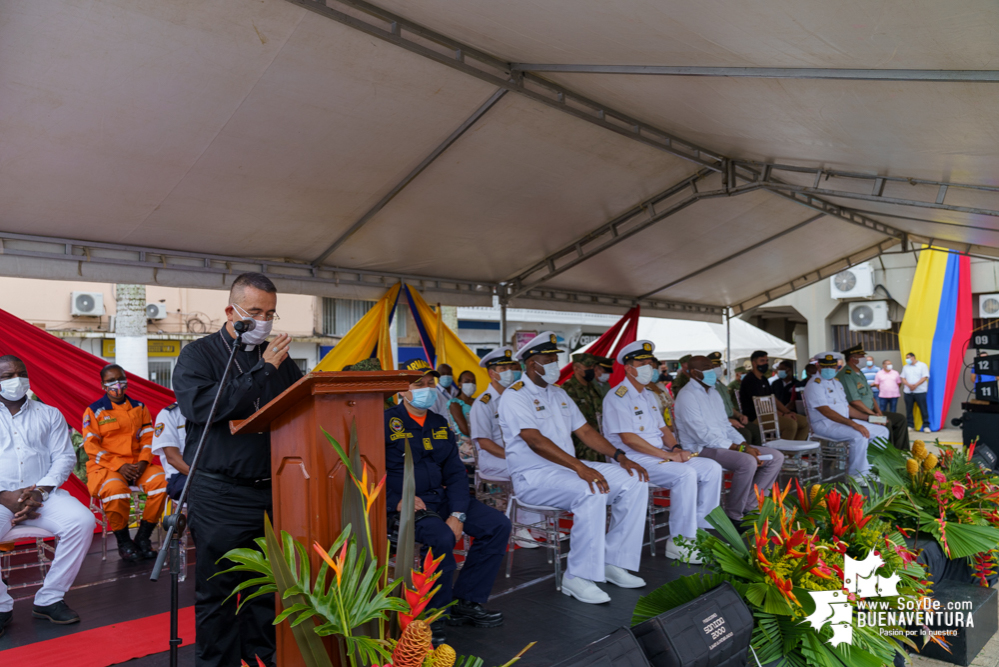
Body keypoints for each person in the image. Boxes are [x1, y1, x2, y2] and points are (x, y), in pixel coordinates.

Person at [172, 272, 303, 667]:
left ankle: (262, 657)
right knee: (220, 590)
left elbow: (298, 404)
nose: (264, 320)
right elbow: (204, 408)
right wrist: (261, 369)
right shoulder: (198, 355)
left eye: (271, 313)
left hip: (271, 489)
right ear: (231, 310)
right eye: (257, 311)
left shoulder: (278, 359)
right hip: (219, 493)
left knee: (268, 586)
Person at [498, 332, 649, 605]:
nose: (556, 364)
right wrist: (580, 467)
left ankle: (612, 561)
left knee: (634, 479)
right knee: (591, 490)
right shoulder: (514, 396)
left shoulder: (559, 393)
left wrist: (619, 456)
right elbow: (534, 440)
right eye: (550, 359)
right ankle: (577, 576)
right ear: (533, 364)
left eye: (556, 358)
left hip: (567, 469)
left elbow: (586, 431)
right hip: (534, 475)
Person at [386, 359, 510, 646]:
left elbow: (455, 473)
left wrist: (457, 513)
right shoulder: (384, 422)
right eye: (419, 384)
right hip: (407, 506)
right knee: (441, 537)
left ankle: (466, 601)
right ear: (402, 390)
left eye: (430, 383)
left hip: (442, 499)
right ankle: (434, 616)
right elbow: (368, 470)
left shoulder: (439, 423)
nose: (426, 389)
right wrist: (396, 501)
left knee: (498, 525)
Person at [0, 356, 95, 635]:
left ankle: (49, 598)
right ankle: (2, 605)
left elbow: (64, 458)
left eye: (20, 373)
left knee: (82, 521)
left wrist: (39, 492)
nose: (15, 379)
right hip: (1, 497)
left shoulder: (49, 413)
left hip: (44, 494)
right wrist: (4, 495)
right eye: (7, 376)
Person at [602, 342, 722, 563]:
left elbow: (663, 428)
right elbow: (628, 439)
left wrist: (676, 448)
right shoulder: (617, 396)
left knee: (711, 468)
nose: (649, 367)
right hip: (632, 459)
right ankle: (680, 542)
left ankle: (701, 530)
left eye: (651, 363)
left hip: (659, 455)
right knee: (684, 474)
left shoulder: (648, 395)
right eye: (642, 363)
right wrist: (667, 455)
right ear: (629, 368)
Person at [674, 356, 784, 524]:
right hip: (699, 449)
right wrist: (741, 449)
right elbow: (703, 436)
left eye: (712, 367)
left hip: (722, 445)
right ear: (695, 373)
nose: (713, 371)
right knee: (747, 461)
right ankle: (734, 515)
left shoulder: (713, 392)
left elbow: (726, 426)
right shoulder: (687, 396)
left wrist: (745, 444)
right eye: (707, 368)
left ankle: (750, 506)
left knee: (776, 457)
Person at [82, 364, 167, 562]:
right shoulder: (94, 411)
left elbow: (148, 438)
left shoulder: (139, 407)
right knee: (116, 491)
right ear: (103, 385)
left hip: (138, 465)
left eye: (120, 378)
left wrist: (144, 462)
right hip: (107, 467)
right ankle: (124, 541)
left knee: (163, 483)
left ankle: (143, 536)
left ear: (127, 380)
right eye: (111, 381)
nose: (117, 384)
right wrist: (120, 465)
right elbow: (91, 446)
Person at [469, 347, 540, 547]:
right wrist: (513, 456)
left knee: (542, 467)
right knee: (525, 470)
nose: (510, 371)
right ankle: (518, 527)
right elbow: (484, 442)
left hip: (517, 456)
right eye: (504, 367)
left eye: (511, 366)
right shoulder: (484, 404)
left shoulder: (518, 398)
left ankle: (540, 524)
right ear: (492, 373)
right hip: (492, 460)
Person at [803, 353, 889, 485]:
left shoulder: (836, 383)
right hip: (824, 424)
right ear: (818, 366)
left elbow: (847, 408)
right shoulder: (814, 385)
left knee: (882, 431)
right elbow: (826, 411)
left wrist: (870, 418)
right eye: (826, 366)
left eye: (833, 366)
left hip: (842, 422)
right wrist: (854, 424)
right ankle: (856, 475)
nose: (830, 369)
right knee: (859, 434)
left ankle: (869, 468)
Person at [836, 345, 909, 451]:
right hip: (858, 414)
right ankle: (889, 457)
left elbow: (870, 396)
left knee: (900, 419)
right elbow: (855, 401)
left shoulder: (859, 373)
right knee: (885, 423)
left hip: (870, 412)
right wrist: (873, 414)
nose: (864, 359)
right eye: (861, 356)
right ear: (853, 359)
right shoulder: (846, 375)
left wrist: (879, 412)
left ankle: (902, 453)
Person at [739, 351, 809, 440]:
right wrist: (783, 415)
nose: (765, 363)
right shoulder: (750, 380)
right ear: (754, 363)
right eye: (762, 361)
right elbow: (762, 405)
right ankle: (784, 452)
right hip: (756, 416)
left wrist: (788, 412)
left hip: (770, 413)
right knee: (791, 424)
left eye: (766, 361)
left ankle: (795, 451)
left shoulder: (763, 379)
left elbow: (774, 399)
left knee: (804, 422)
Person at [562, 353, 606, 461]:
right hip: (580, 446)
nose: (591, 370)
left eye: (592, 367)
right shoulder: (567, 390)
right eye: (587, 367)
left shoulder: (593, 387)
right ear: (576, 368)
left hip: (598, 442)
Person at [711, 354, 761, 447]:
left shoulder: (722, 385)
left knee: (756, 430)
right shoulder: (709, 387)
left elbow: (730, 407)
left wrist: (739, 415)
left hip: (733, 417)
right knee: (745, 434)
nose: (717, 369)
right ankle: (746, 457)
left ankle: (759, 455)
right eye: (714, 367)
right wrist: (727, 420)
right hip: (721, 421)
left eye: (718, 366)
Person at [151, 403, 189, 500]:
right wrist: (206, 477)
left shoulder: (219, 410)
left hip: (216, 473)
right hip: (182, 474)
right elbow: (172, 458)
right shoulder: (169, 414)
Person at [446, 370, 477, 464]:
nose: (471, 384)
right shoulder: (455, 403)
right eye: (467, 381)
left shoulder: (478, 401)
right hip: (466, 443)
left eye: (473, 382)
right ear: (460, 384)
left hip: (480, 439)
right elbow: (465, 430)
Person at [900, 352, 931, 432]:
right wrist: (909, 385)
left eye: (908, 357)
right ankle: (910, 425)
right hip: (908, 391)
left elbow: (925, 377)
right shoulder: (905, 367)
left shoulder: (922, 365)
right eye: (906, 358)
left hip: (920, 391)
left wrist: (915, 385)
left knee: (923, 409)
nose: (907, 359)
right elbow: (903, 378)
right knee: (909, 409)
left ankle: (926, 426)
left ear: (913, 357)